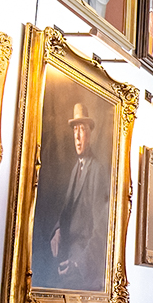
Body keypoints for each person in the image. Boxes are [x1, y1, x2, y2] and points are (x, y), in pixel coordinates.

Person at [41, 102, 108, 290]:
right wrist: (57, 230)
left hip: (83, 264)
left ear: (90, 134)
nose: (78, 136)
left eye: (83, 130)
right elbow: (67, 212)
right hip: (66, 254)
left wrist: (79, 263)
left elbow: (101, 229)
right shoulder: (75, 169)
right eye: (75, 130)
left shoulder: (97, 170)